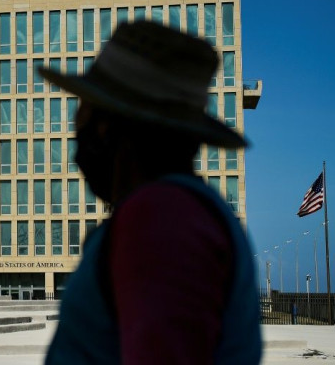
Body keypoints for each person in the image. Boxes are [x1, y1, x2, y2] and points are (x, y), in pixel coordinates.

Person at [40, 21, 262, 364]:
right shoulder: (179, 211)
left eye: (82, 110)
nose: (76, 131)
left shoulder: (161, 218)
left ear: (106, 126)